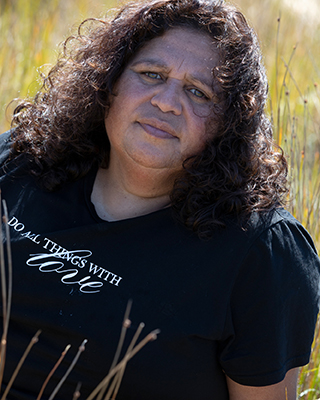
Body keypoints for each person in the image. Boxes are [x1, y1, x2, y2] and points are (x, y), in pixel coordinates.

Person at [0, 0, 319, 399]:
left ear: (229, 121)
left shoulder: (260, 253)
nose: (167, 102)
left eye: (198, 92)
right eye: (151, 74)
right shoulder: (20, 163)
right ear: (109, 81)